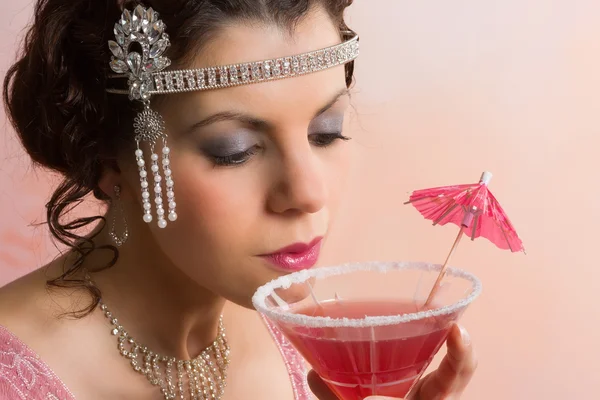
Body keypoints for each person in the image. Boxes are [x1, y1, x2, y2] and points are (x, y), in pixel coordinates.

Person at [0, 0, 478, 399]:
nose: (309, 194)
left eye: (325, 133)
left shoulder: (311, 338)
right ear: (109, 160)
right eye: (236, 150)